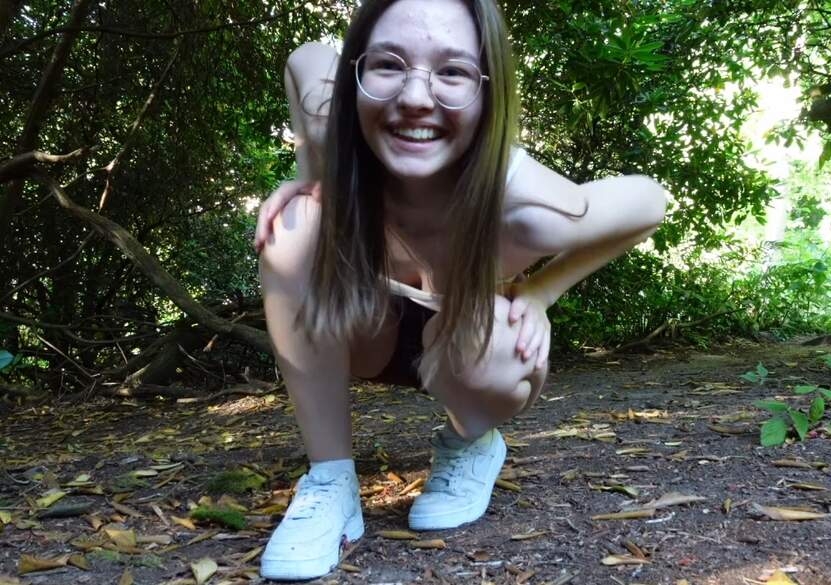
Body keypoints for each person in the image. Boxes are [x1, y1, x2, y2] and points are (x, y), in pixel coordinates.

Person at [255, 0, 666, 580]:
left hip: (465, 346)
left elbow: (650, 201)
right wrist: (312, 176)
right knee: (293, 227)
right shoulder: (334, 122)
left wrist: (541, 292)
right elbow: (304, 57)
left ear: (487, 92)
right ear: (357, 75)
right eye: (389, 64)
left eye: (452, 71)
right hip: (363, 330)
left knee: (499, 348)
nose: (415, 97)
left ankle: (468, 442)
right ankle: (330, 481)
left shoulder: (526, 207)